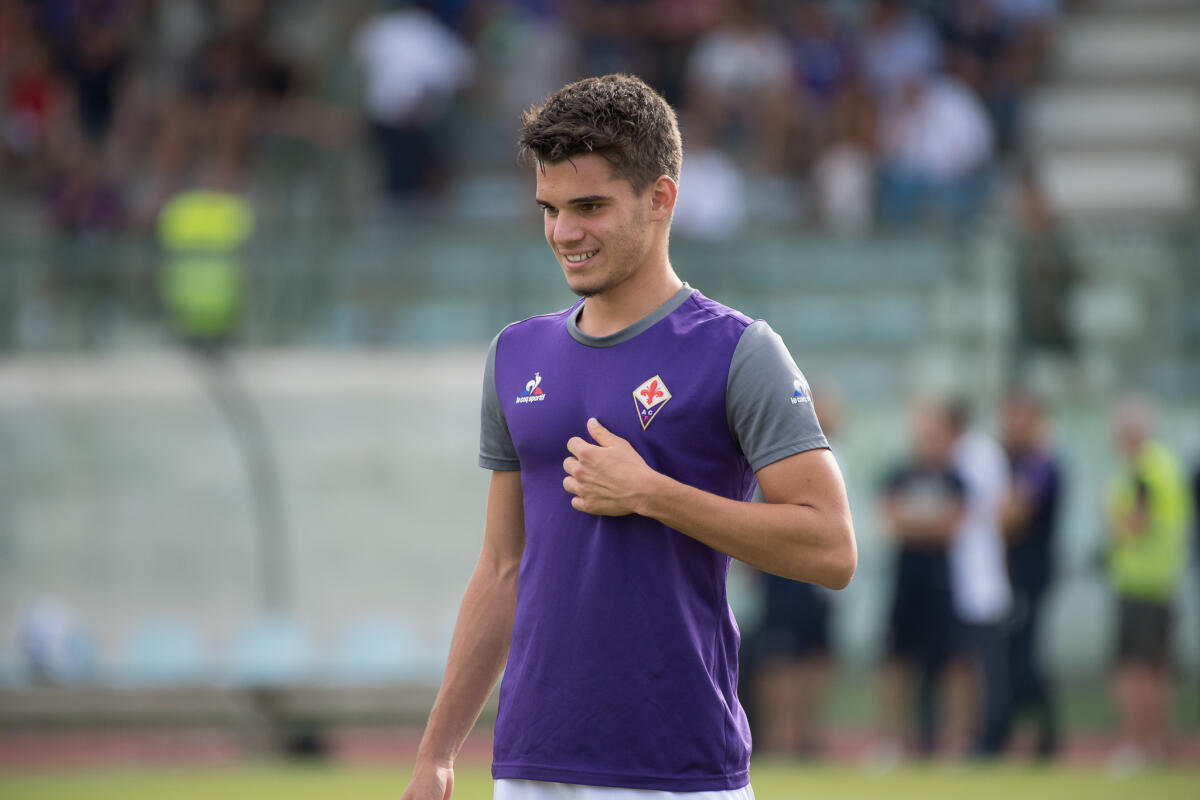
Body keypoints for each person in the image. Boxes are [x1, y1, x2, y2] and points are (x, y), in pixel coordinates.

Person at [400, 73, 857, 800]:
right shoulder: (515, 356)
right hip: (530, 765)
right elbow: (499, 571)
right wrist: (437, 753)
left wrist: (653, 494)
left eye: (588, 207)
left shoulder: (739, 351)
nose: (563, 232)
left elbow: (831, 549)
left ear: (661, 198)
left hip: (678, 769)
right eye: (549, 209)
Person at [1105, 395, 1193, 772]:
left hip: (1140, 583)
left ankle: (1139, 745)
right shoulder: (1167, 466)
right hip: (1163, 582)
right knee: (1157, 670)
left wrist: (1112, 517)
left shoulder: (1143, 470)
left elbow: (1137, 524)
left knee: (1134, 670)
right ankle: (1158, 745)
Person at [875, 398, 965, 762]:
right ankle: (892, 742)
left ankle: (953, 744)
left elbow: (954, 525)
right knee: (898, 663)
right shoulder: (898, 474)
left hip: (942, 581)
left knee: (950, 664)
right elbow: (893, 521)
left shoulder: (955, 478)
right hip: (906, 579)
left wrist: (919, 522)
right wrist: (929, 522)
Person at [946, 401, 1012, 758]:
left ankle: (990, 741)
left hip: (980, 577)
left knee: (984, 665)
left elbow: (972, 508)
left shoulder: (978, 453)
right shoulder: (965, 453)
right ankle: (973, 738)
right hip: (962, 577)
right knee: (966, 664)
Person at [998, 388, 1061, 758]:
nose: (1009, 425)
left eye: (1016, 416)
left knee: (1024, 659)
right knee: (1013, 657)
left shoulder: (1041, 463)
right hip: (1014, 575)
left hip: (1029, 575)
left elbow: (1015, 514)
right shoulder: (1018, 461)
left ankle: (1045, 737)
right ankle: (1027, 735)